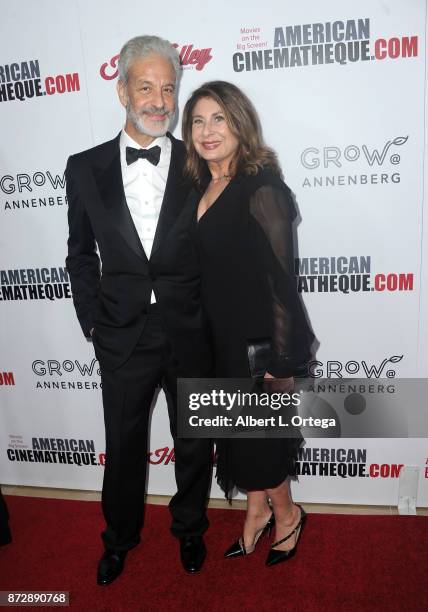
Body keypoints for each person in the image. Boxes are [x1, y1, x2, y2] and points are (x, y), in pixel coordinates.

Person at [65, 35, 213, 585]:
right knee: (123, 448)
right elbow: (79, 254)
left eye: (168, 88)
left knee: (195, 440)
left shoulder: (202, 161)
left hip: (191, 328)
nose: (158, 100)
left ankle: (191, 528)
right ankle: (119, 538)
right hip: (122, 333)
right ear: (122, 89)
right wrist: (92, 321)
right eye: (146, 86)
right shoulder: (84, 169)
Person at [182, 81, 314, 567]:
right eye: (197, 120)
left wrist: (281, 360)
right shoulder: (201, 185)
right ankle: (256, 512)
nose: (207, 130)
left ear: (241, 123)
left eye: (219, 119)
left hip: (257, 343)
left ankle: (288, 514)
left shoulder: (263, 188)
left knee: (258, 442)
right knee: (237, 439)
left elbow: (282, 283)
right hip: (216, 339)